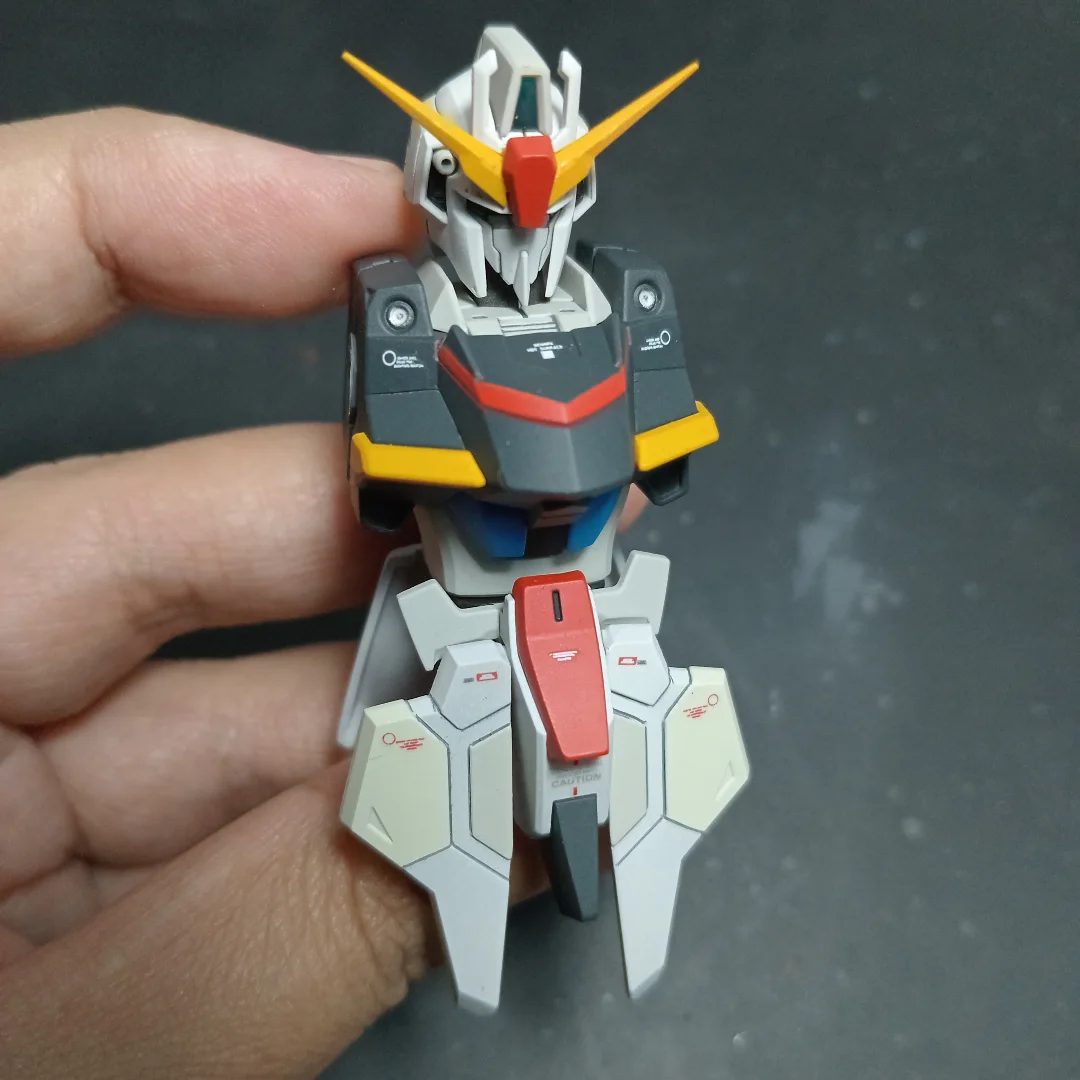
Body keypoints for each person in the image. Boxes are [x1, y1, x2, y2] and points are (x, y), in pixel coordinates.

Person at [0, 106, 603, 1078]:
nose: (527, 231)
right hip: (466, 536)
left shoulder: (599, 293)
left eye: (551, 198)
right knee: (442, 730)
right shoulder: (408, 298)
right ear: (444, 187)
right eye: (500, 202)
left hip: (578, 534)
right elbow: (385, 445)